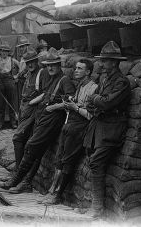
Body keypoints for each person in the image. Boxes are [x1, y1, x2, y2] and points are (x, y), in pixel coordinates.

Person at [0, 48, 75, 192]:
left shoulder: (64, 80)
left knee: (31, 146)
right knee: (37, 151)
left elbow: (71, 101)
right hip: (43, 117)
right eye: (48, 65)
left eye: (53, 65)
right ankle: (26, 182)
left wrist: (53, 107)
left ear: (59, 66)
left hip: (53, 119)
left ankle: (17, 180)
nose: (50, 68)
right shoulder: (52, 79)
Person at [81, 41, 131, 219]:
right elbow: (97, 103)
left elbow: (108, 102)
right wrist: (96, 101)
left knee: (95, 162)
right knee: (90, 157)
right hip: (100, 124)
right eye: (101, 60)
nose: (101, 64)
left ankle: (97, 208)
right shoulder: (104, 79)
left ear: (115, 63)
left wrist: (94, 98)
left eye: (105, 61)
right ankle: (94, 204)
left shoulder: (122, 82)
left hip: (113, 127)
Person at [42, 58, 98, 205]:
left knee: (67, 161)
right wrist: (68, 104)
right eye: (76, 68)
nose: (76, 70)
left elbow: (90, 115)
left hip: (79, 128)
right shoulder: (80, 85)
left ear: (88, 72)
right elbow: (74, 104)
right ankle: (51, 191)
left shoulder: (93, 88)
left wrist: (75, 107)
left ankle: (57, 195)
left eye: (80, 68)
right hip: (69, 125)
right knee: (59, 159)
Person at [0, 49, 50, 191]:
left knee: (18, 138)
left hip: (34, 109)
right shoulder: (29, 73)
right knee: (22, 140)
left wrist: (32, 103)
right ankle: (17, 173)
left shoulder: (42, 73)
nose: (30, 65)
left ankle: (18, 175)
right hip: (25, 108)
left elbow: (46, 93)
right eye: (28, 63)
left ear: (37, 61)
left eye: (32, 62)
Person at [0, 42, 21, 129]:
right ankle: (0, 124)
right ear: (0, 52)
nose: (4, 53)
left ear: (8, 52)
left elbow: (22, 67)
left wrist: (17, 76)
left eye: (6, 51)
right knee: (1, 104)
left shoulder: (13, 60)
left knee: (12, 103)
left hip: (10, 82)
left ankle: (13, 123)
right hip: (0, 83)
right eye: (2, 51)